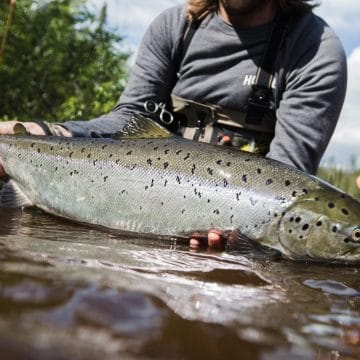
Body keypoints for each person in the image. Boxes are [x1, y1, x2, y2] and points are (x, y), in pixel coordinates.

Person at [0, 0, 347, 248]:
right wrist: (46, 131)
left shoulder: (315, 48)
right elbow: (129, 121)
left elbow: (288, 172)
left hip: (229, 229)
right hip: (145, 187)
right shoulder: (176, 26)